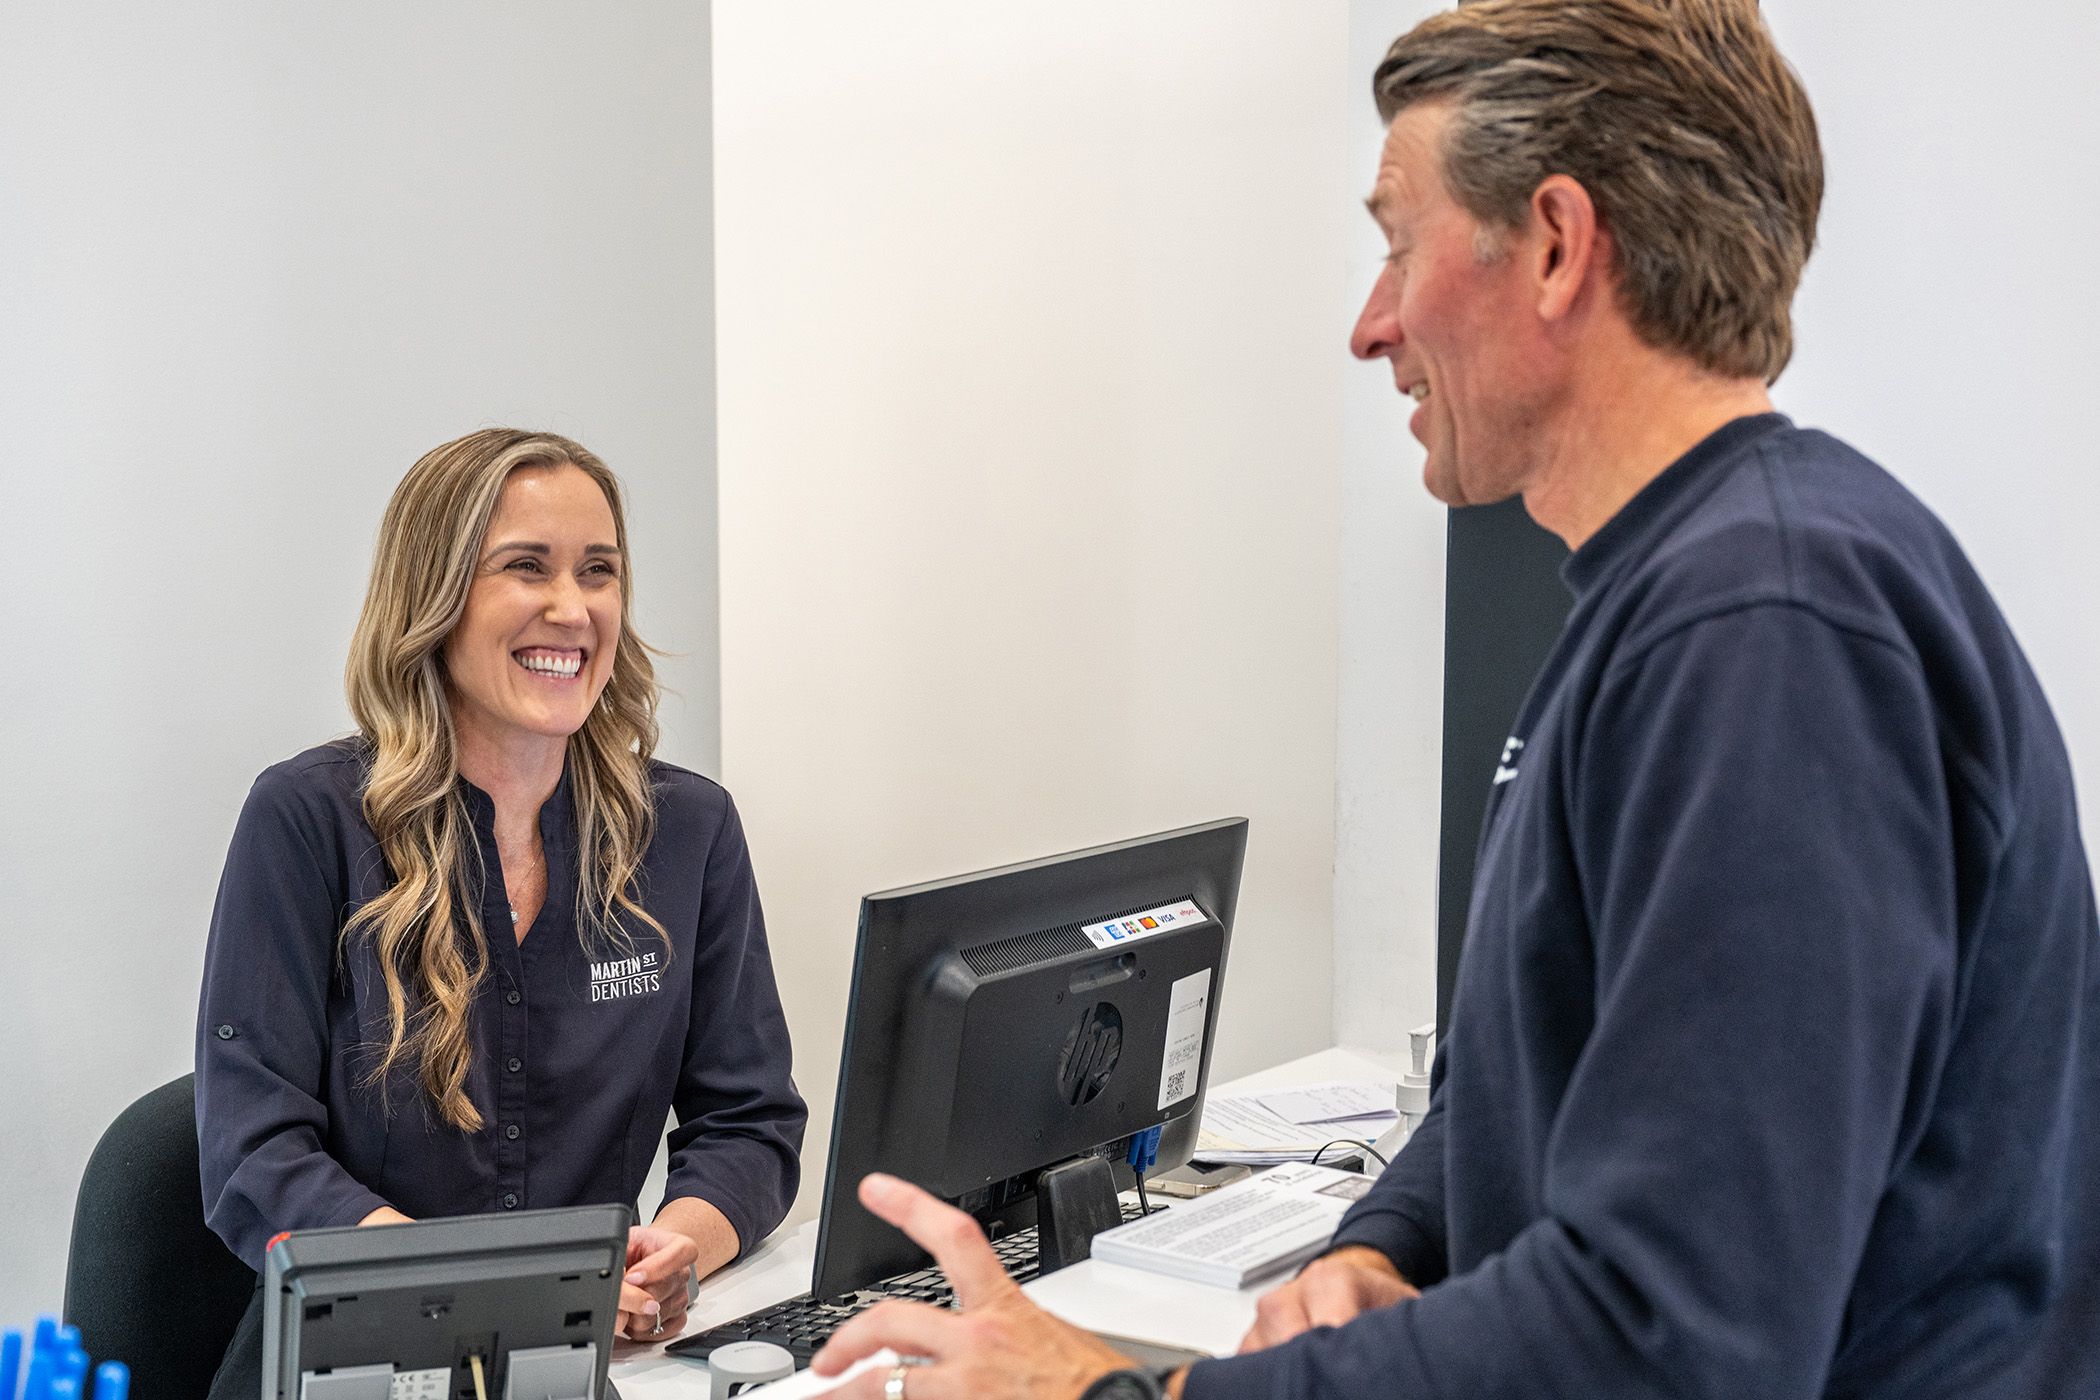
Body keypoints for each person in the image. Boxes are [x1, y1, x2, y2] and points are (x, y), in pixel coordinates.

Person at [806, 2, 2100, 1397]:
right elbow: (1539, 1081)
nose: (1372, 327)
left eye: (1395, 243)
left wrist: (1115, 1394)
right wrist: (1390, 1244)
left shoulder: (1763, 630)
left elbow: (1675, 1334)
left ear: (1554, 244)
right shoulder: (1681, 597)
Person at [195, 429, 807, 1397]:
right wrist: (493, 1297)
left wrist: (674, 1250)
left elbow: (752, 1119)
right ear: (434, 600)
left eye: (598, 571)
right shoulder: (305, 822)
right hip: (346, 1369)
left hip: (582, 1369)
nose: (573, 607)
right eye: (527, 566)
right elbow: (252, 1153)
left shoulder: (689, 832)